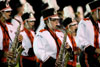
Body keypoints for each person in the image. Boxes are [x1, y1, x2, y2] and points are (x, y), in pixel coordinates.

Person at [76, 0, 100, 67]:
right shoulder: (84, 22)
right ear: (94, 11)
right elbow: (80, 41)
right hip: (86, 57)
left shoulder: (99, 24)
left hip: (96, 57)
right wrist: (95, 50)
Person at [0, 1, 15, 67]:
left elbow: (14, 42)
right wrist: (2, 53)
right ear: (1, 12)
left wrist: (20, 40)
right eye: (7, 11)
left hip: (7, 61)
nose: (10, 13)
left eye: (10, 11)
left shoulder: (11, 26)